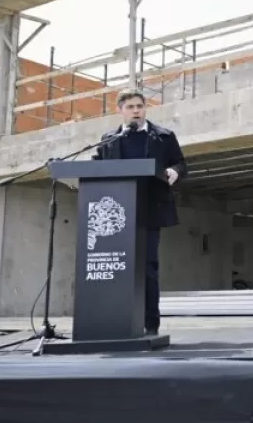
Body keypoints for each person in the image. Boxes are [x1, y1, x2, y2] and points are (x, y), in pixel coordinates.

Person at [91, 88, 188, 336]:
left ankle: (151, 324)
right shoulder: (109, 139)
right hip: (115, 214)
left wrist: (175, 171)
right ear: (120, 111)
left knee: (147, 268)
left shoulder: (164, 137)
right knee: (116, 268)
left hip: (150, 211)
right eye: (130, 107)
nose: (136, 111)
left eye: (139, 106)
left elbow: (181, 163)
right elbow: (96, 166)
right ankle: (115, 321)